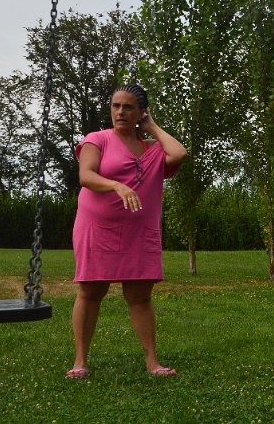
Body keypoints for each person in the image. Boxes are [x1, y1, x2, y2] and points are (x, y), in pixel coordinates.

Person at [66, 84, 187, 379]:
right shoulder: (97, 139)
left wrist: (152, 127)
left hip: (139, 231)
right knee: (91, 291)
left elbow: (179, 153)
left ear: (141, 112)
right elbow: (86, 175)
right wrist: (117, 186)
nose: (120, 112)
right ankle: (80, 361)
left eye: (128, 107)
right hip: (98, 227)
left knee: (140, 295)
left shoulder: (152, 149)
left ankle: (153, 362)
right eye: (116, 105)